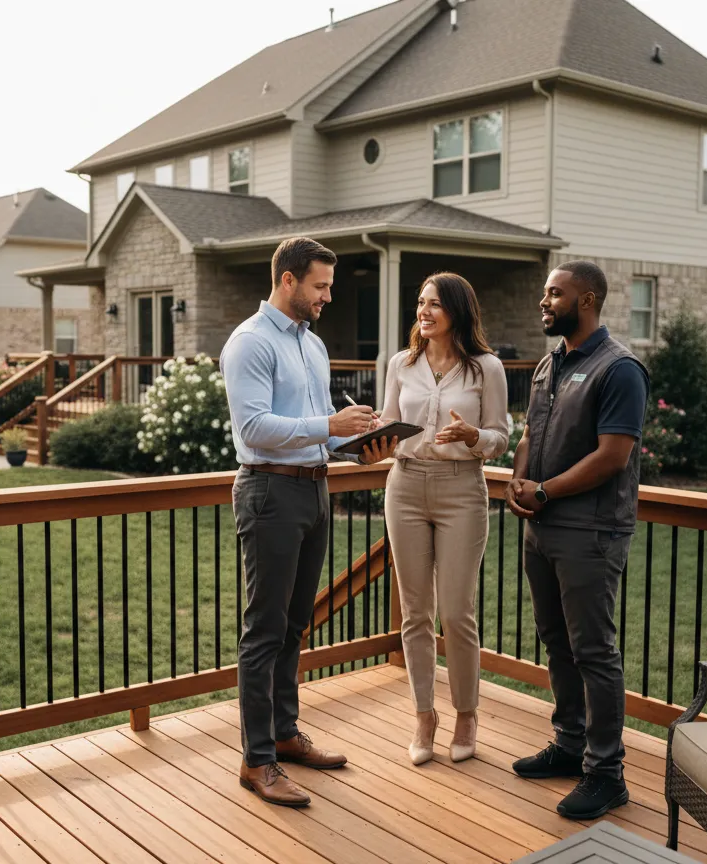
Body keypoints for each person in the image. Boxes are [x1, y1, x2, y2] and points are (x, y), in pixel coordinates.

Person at [220, 236, 395, 808]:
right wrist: (330, 425)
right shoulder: (250, 342)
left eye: (330, 287)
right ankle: (257, 759)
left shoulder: (313, 346)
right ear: (288, 280)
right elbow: (256, 429)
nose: (326, 297)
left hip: (315, 489)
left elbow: (311, 428)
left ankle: (285, 735)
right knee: (264, 629)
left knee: (295, 624)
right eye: (319, 286)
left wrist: (357, 445)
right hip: (269, 492)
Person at [504, 260, 649, 820]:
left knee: (594, 650)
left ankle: (606, 772)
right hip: (542, 527)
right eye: (545, 293)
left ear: (586, 299)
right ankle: (569, 745)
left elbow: (613, 456)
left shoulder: (620, 370)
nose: (544, 302)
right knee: (556, 641)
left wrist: (543, 492)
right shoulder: (549, 364)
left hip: (589, 531)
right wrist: (520, 481)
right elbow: (529, 434)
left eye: (554, 294)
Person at [380, 272, 508, 766]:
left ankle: (466, 714)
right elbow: (391, 425)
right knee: (414, 613)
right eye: (420, 302)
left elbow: (501, 435)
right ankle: (423, 715)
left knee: (455, 613)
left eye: (434, 303)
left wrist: (475, 437)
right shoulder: (400, 363)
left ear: (457, 309)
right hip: (405, 484)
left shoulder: (485, 369)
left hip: (461, 491)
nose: (424, 311)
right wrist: (373, 437)